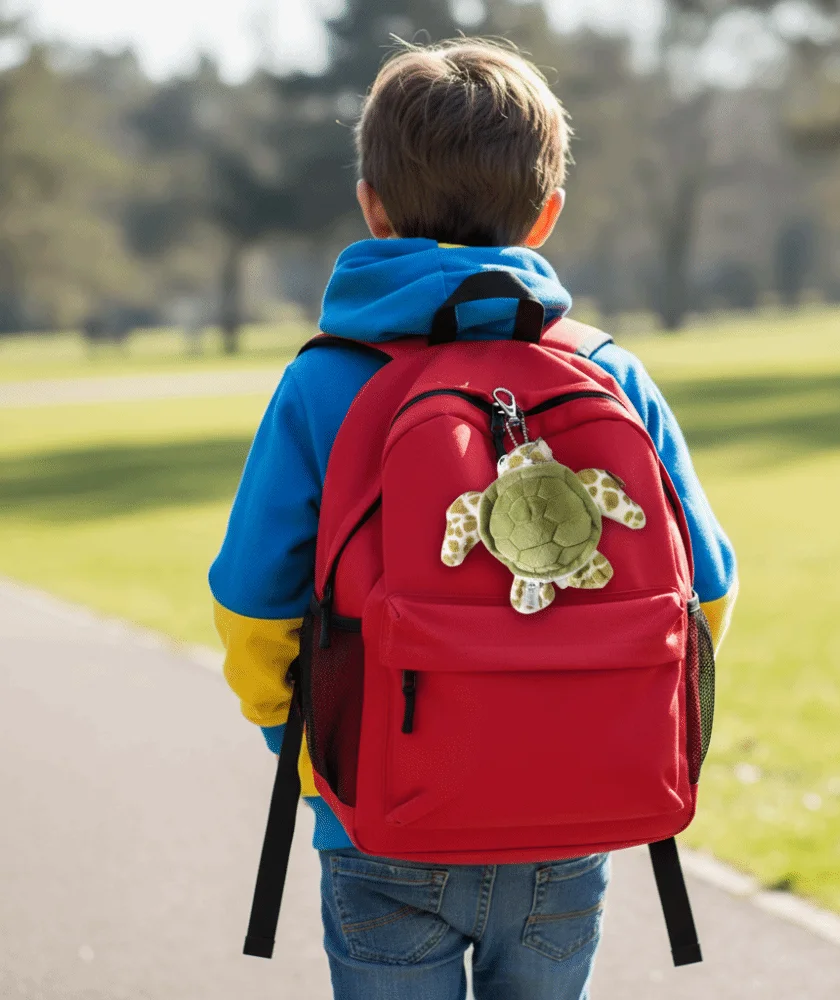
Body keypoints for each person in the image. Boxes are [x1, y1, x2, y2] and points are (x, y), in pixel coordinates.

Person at [210, 38, 738, 1000]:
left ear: (372, 206)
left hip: (380, 817)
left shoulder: (325, 380)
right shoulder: (610, 372)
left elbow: (252, 606)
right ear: (546, 216)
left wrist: (311, 745)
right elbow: (705, 592)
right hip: (573, 817)